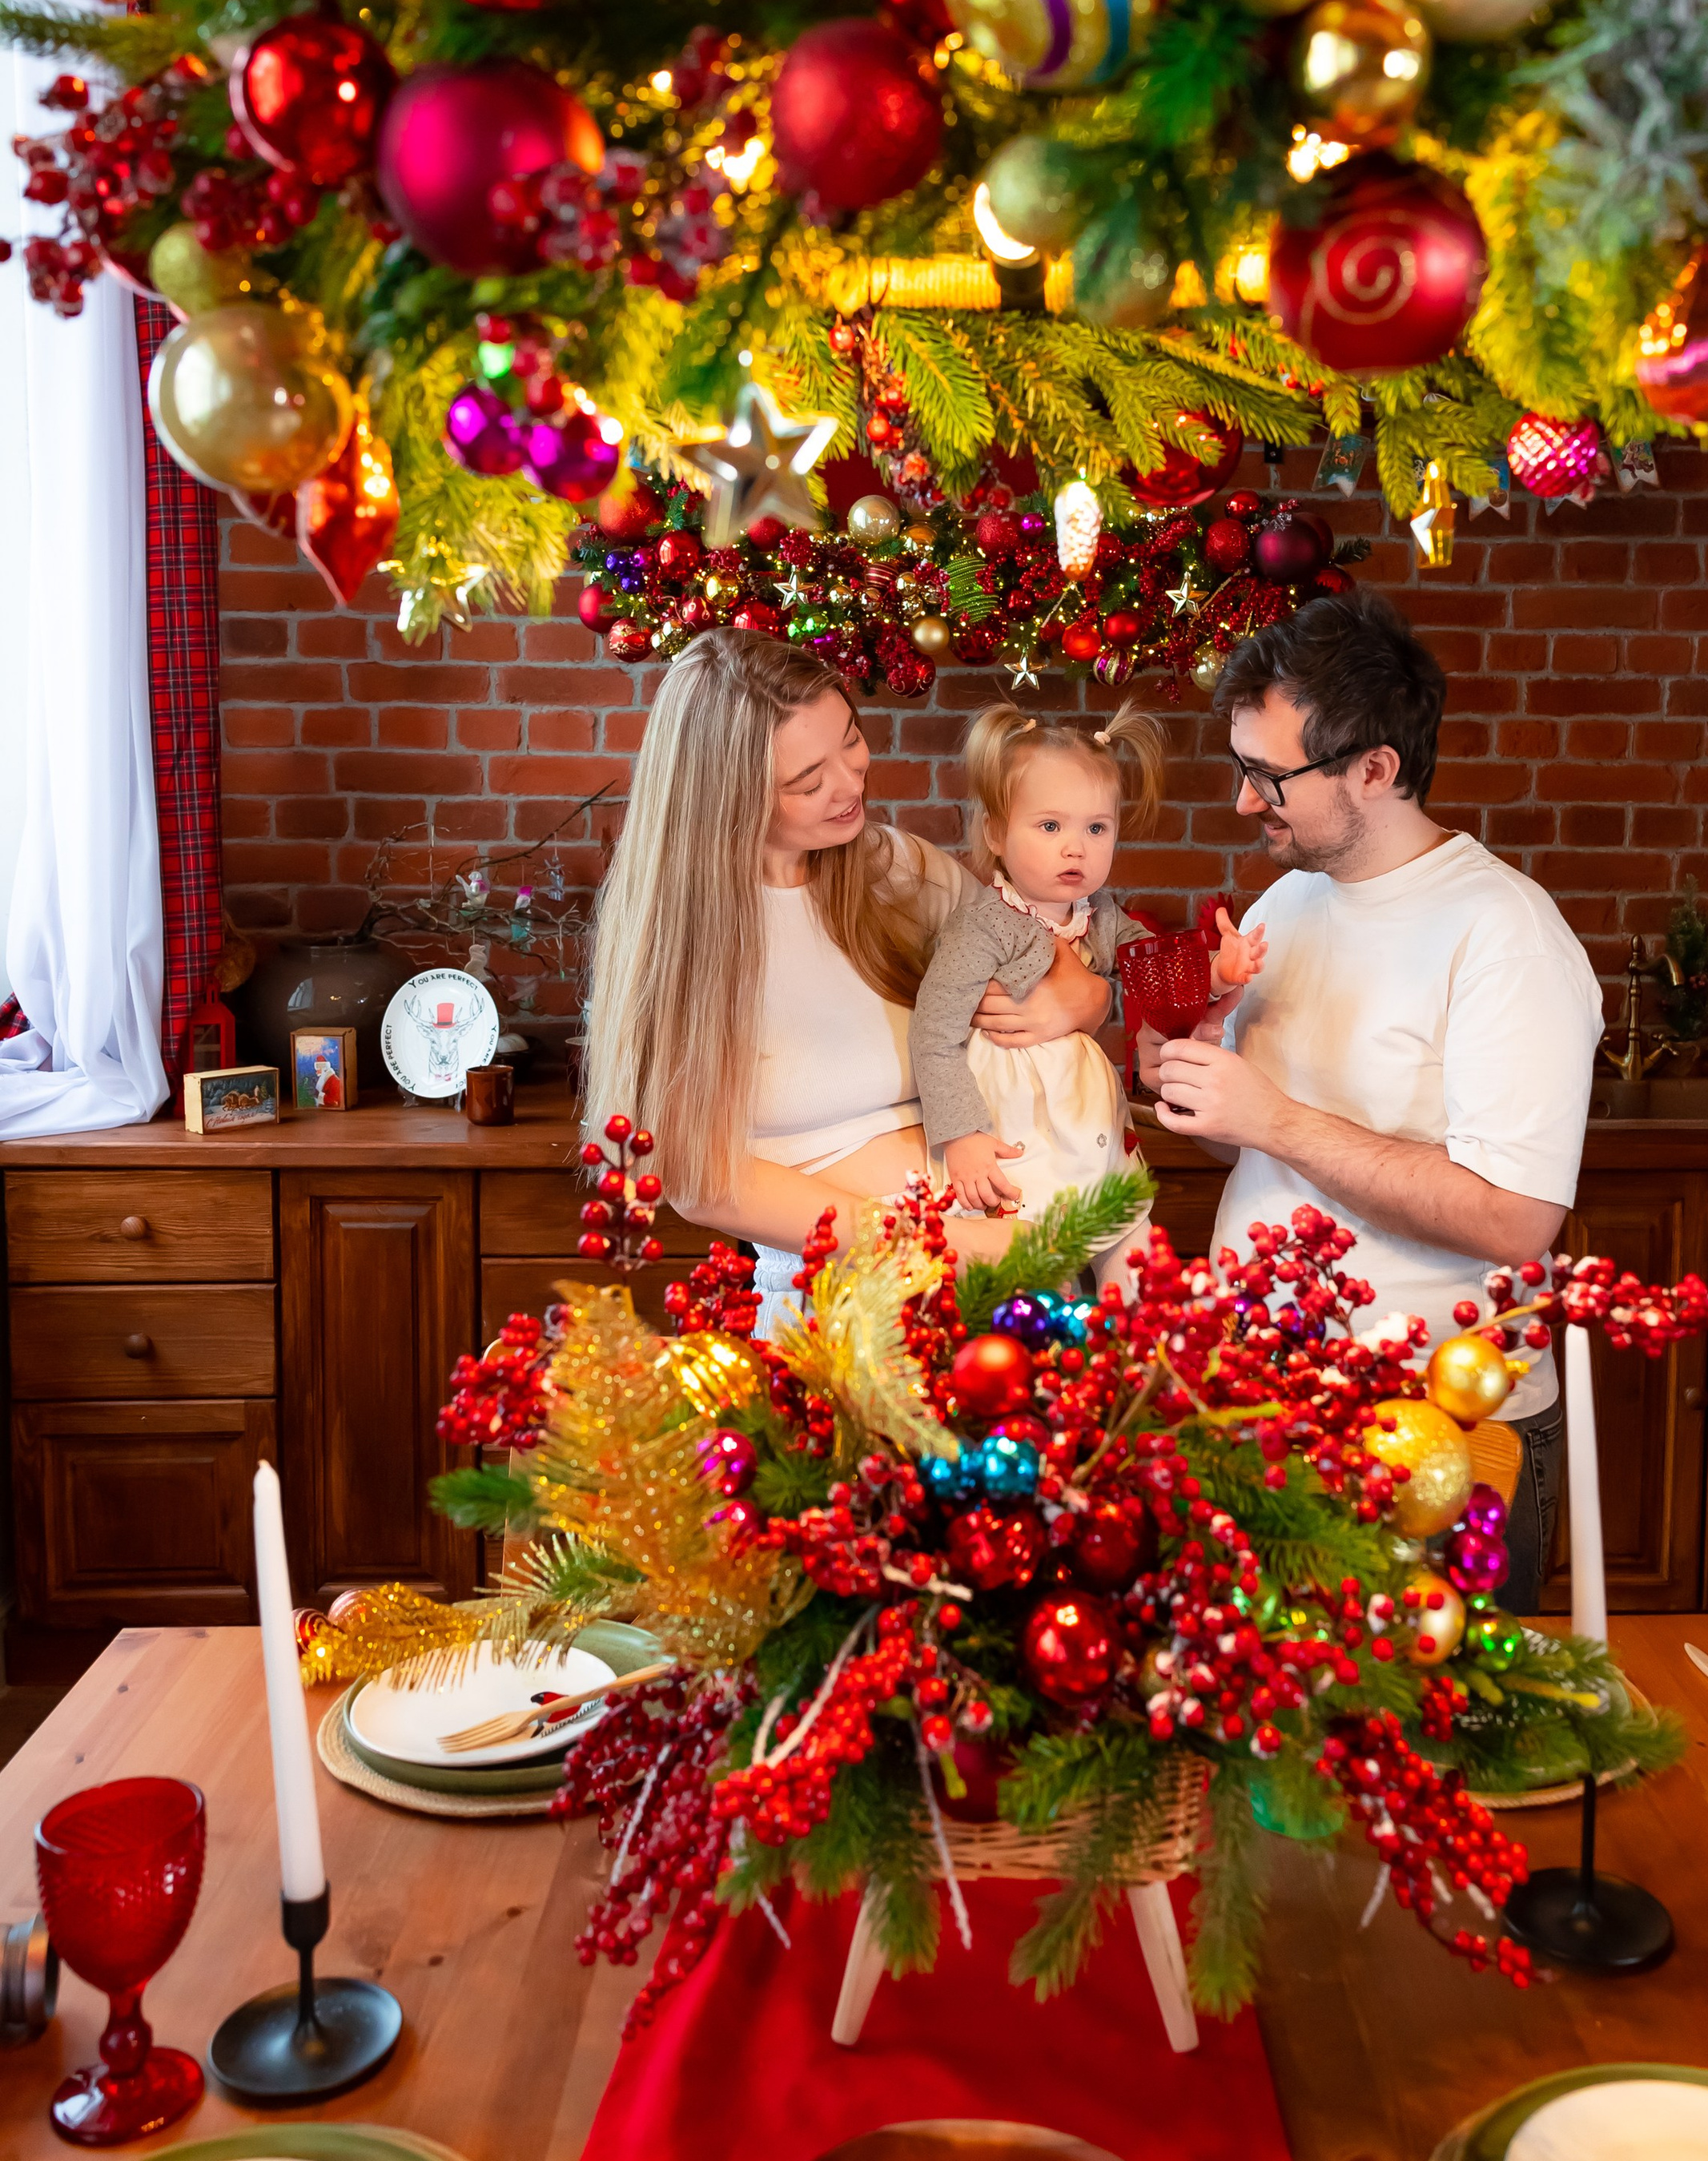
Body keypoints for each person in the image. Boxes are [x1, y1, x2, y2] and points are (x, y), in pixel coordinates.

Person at [1142, 586, 1603, 1609]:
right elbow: (1262, 1148)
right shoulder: (1292, 896)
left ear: (1375, 770)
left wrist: (1273, 1118)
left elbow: (1517, 1218)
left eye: (1268, 777)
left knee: (1436, 1754)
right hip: (1258, 1407)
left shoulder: (1504, 935)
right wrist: (1201, 1084)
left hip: (1433, 1436)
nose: (1243, 803)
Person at [581, 633, 1111, 1318]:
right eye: (808, 780)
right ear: (727, 797)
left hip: (1002, 1265)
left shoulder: (897, 869)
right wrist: (949, 1243)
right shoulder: (684, 939)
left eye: (851, 740)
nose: (851, 781)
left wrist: (1090, 998)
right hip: (845, 1304)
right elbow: (699, 1181)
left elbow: (1053, 958)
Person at [910, 702, 1261, 1284]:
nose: (1076, 847)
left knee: (1127, 1233)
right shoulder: (982, 926)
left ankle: (1140, 1338)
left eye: (1096, 828)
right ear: (997, 832)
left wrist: (1218, 970)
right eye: (1051, 826)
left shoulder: (1098, 914)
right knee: (1035, 1253)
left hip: (1088, 1116)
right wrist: (962, 1136)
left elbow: (1158, 968)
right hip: (1014, 1122)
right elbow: (934, 1031)